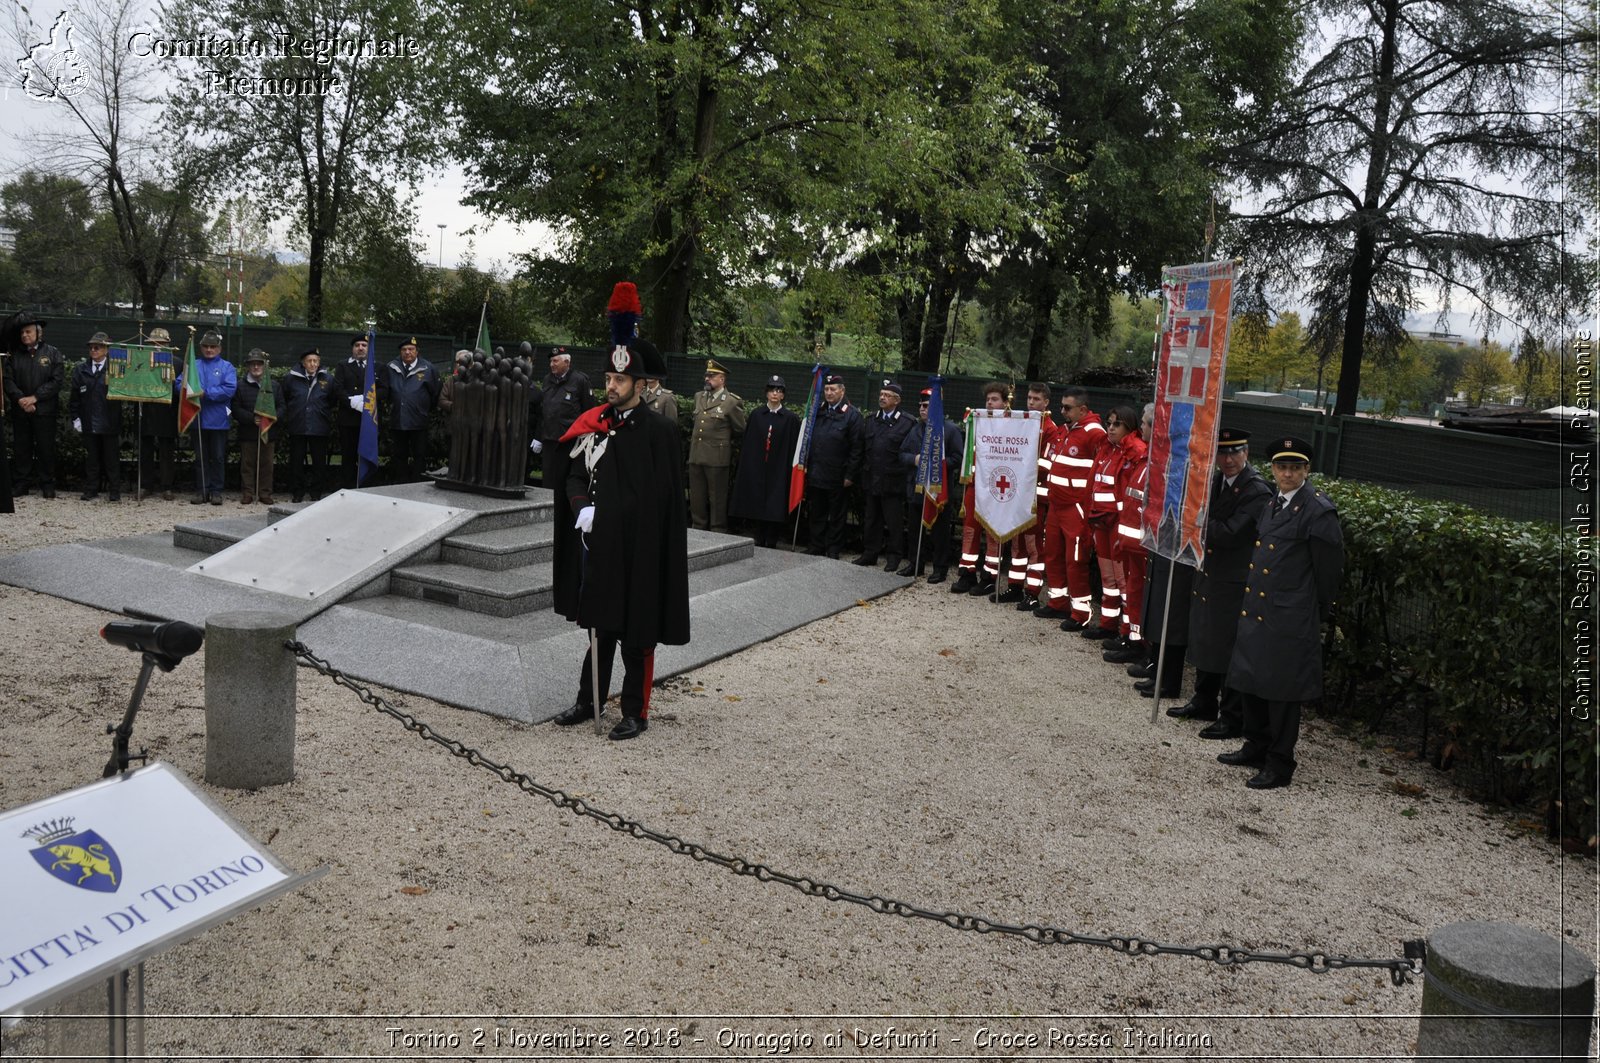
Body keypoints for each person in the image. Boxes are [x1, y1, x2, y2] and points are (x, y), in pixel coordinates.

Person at [548, 336, 690, 741]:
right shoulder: (595, 422)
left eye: (619, 379)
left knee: (636, 632)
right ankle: (588, 701)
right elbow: (573, 474)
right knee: (600, 627)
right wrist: (582, 509)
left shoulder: (659, 431)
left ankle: (634, 711)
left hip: (639, 549)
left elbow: (662, 499)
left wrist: (620, 517)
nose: (610, 386)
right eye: (608, 377)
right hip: (599, 545)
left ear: (640, 385)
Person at [1219, 436, 1345, 790]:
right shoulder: (1274, 503)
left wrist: (1311, 612)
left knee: (1282, 692)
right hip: (1260, 608)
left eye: (1295, 467)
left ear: (1307, 470)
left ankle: (1280, 762)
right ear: (1272, 469)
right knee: (1251, 681)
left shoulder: (1318, 510)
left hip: (1289, 615)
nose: (1287, 473)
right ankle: (1255, 745)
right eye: (1281, 467)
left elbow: (1328, 572)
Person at [1169, 428, 1272, 735]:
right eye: (1223, 453)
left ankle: (1231, 714)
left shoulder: (1257, 491)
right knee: (1205, 636)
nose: (1228, 460)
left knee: (1228, 645)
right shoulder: (1214, 482)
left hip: (1234, 579)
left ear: (1246, 454)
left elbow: (1232, 533)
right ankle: (1203, 700)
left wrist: (1199, 521)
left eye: (1235, 452)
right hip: (1210, 572)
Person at [1036, 386, 1105, 628]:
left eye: (1067, 407)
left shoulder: (1094, 433)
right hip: (1056, 504)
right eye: (1062, 406)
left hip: (1075, 507)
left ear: (1082, 409)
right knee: (1052, 554)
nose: (1062, 411)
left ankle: (1081, 612)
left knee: (1075, 559)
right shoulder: (1066, 430)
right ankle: (1058, 602)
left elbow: (1104, 468)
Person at [951, 381, 1011, 594]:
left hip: (995, 488)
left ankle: (989, 576)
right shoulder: (978, 422)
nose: (990, 403)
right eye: (988, 400)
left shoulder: (1012, 425)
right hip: (975, 484)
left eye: (995, 400)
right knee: (969, 530)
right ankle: (967, 573)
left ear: (1005, 404)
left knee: (993, 532)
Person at [898, 387, 963, 582]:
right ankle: (915, 564)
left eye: (926, 406)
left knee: (940, 533)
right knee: (915, 530)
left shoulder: (950, 430)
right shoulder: (916, 429)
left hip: (939, 490)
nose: (922, 409)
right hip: (916, 489)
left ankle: (939, 568)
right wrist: (915, 459)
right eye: (920, 406)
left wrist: (938, 464)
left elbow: (957, 458)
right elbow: (902, 454)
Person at [1103, 403, 1151, 665]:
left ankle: (1137, 641)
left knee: (1134, 591)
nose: (1141, 427)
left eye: (1145, 423)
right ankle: (1131, 637)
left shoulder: (1140, 454)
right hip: (1129, 537)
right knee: (1131, 590)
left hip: (1141, 542)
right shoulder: (1143, 457)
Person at [729, 374, 800, 548]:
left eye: (779, 391)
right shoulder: (757, 414)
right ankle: (758, 536)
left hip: (778, 469)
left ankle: (772, 539)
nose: (775, 394)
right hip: (758, 467)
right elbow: (749, 442)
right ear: (766, 393)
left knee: (775, 504)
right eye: (771, 390)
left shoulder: (790, 418)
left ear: (783, 395)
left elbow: (792, 446)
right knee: (757, 501)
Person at [1001, 383, 1055, 608]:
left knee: (1034, 547)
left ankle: (1032, 592)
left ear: (1046, 403)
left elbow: (1045, 464)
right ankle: (1015, 586)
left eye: (1036, 399)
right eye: (1029, 398)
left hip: (1036, 499)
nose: (1031, 403)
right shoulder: (1022, 423)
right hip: (1018, 495)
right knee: (1017, 544)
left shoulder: (1050, 429)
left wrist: (1020, 467)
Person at [855, 378, 915, 571]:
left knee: (894, 521)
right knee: (871, 519)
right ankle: (870, 553)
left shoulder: (907, 423)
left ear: (896, 400)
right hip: (872, 478)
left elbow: (908, 452)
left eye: (887, 395)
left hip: (893, 481)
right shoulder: (872, 420)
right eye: (881, 394)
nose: (882, 398)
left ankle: (894, 556)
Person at [803, 372, 863, 559]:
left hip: (838, 475)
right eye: (826, 389)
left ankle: (833, 549)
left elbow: (857, 449)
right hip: (817, 472)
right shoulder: (818, 411)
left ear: (842, 391)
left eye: (832, 389)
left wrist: (850, 475)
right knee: (817, 513)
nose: (828, 393)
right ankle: (816, 546)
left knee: (837, 515)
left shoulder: (852, 416)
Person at [3, 312, 63, 498]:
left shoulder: (52, 353)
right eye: (22, 333)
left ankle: (47, 484)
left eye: (28, 332)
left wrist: (35, 398)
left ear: (39, 333)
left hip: (44, 410)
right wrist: (21, 399)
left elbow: (56, 381)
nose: (24, 336)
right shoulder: (13, 355)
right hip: (21, 410)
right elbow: (7, 380)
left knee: (46, 448)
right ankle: (22, 483)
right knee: (22, 447)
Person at [687, 358, 746, 532]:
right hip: (696, 455)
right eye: (707, 375)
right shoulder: (699, 396)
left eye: (712, 376)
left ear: (722, 379)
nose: (707, 378)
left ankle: (718, 530)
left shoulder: (731, 401)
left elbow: (740, 428)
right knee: (697, 496)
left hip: (716, 458)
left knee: (717, 497)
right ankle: (698, 527)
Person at [68, 332, 123, 501]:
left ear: (106, 349)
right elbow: (74, 397)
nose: (93, 350)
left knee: (111, 459)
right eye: (91, 347)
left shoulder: (116, 368)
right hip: (88, 420)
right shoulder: (81, 369)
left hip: (110, 421)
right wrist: (76, 418)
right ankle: (91, 489)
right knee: (91, 458)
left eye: (97, 347)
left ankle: (114, 491)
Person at [277, 347, 335, 503]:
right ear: (303, 363)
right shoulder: (291, 378)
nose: (313, 364)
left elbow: (331, 400)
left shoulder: (328, 379)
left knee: (319, 463)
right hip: (298, 425)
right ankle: (297, 491)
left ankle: (316, 492)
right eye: (309, 361)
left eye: (315, 361)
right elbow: (286, 397)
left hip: (319, 426)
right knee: (296, 462)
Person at [380, 337, 441, 483]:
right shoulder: (391, 367)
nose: (407, 352)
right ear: (400, 352)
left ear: (417, 351)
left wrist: (423, 409)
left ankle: (417, 486)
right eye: (404, 350)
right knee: (399, 455)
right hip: (398, 420)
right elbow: (385, 391)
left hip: (419, 421)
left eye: (411, 349)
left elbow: (435, 394)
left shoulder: (428, 368)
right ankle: (401, 486)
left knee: (419, 455)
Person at [190, 331, 236, 506]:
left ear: (219, 348)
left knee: (217, 457)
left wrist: (206, 393)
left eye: (213, 346)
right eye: (206, 346)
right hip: (198, 418)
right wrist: (190, 391)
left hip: (218, 420)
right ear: (201, 348)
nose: (209, 349)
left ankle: (216, 491)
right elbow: (180, 384)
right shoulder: (193, 365)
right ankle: (202, 490)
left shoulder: (227, 367)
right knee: (200, 457)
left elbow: (229, 389)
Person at [137, 327, 182, 500]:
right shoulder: (140, 361)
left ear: (167, 344)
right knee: (145, 450)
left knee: (166, 451)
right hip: (146, 410)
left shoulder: (177, 363)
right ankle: (146, 485)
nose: (157, 346)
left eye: (161, 343)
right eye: (153, 343)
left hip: (168, 412)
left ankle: (166, 486)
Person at [232, 349, 276, 505]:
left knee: (267, 464)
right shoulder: (240, 385)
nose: (256, 367)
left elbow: (283, 406)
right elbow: (235, 408)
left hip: (268, 431)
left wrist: (271, 418)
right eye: (253, 364)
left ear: (264, 366)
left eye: (259, 364)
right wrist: (251, 418)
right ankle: (248, 493)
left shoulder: (274, 385)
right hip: (248, 431)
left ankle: (265, 493)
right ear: (248, 367)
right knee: (247, 465)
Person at [332, 334, 372, 489]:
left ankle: (365, 487)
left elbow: (383, 390)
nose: (360, 348)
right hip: (348, 419)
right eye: (357, 345)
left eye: (364, 345)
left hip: (368, 419)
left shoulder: (376, 366)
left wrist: (366, 399)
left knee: (366, 456)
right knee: (348, 456)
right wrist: (352, 402)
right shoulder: (343, 365)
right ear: (352, 349)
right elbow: (337, 388)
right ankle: (347, 487)